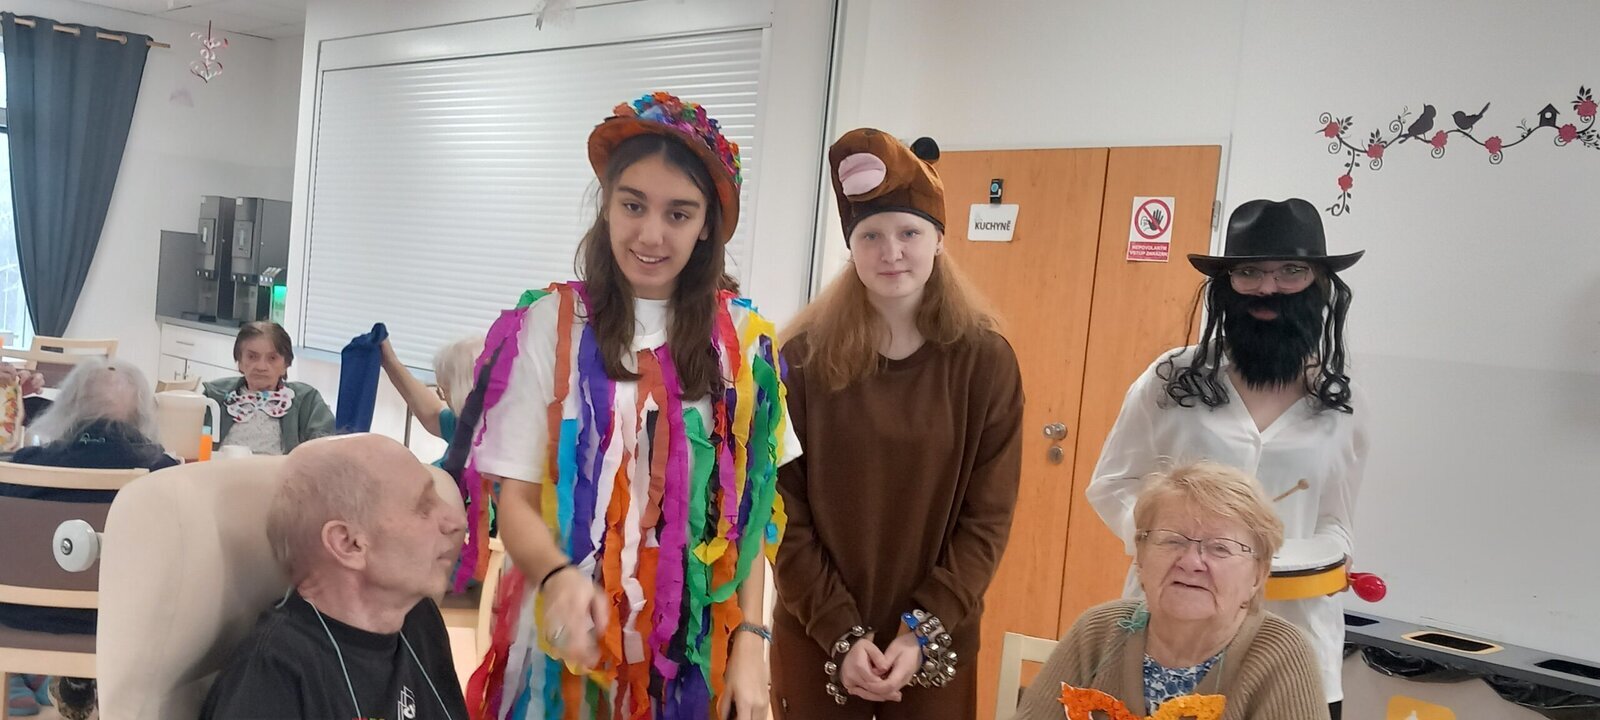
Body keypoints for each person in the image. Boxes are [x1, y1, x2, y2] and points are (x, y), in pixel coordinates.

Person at [461, 92, 797, 720]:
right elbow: (515, 499)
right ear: (607, 204)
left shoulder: (745, 346)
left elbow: (750, 524)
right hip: (566, 658)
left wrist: (752, 640)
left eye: (678, 213)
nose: (650, 234)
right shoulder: (550, 325)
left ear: (707, 226)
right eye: (633, 205)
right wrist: (558, 577)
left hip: (695, 664)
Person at [770, 128, 1024, 719]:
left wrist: (921, 630)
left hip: (936, 643)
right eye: (871, 236)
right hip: (817, 636)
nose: (891, 252)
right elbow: (781, 511)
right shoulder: (801, 360)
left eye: (909, 233)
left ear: (939, 240)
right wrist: (839, 631)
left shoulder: (986, 362)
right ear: (851, 247)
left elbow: (987, 518)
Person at [1086, 198, 1369, 718]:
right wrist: (1166, 545)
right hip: (1169, 633)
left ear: (1320, 283)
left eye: (1291, 271)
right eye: (1249, 272)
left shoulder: (1340, 403)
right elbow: (1114, 483)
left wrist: (1307, 560)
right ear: (1226, 284)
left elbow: (1337, 521)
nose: (1268, 288)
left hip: (1298, 642)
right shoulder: (1172, 381)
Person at [1014, 462, 1327, 719]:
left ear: (1258, 574)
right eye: (1172, 540)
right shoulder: (1098, 631)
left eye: (1219, 548)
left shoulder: (1282, 654)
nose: (1191, 562)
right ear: (1140, 556)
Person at [199, 434, 470, 720]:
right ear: (348, 544)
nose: (457, 521)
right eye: (424, 508)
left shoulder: (418, 620)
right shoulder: (272, 675)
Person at [1, 358, 176, 719]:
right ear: (144, 414)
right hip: (126, 622)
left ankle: (32, 673)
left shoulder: (23, 468)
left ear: (67, 407)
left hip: (25, 617)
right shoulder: (164, 476)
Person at [203, 321, 335, 455]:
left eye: (272, 358)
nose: (261, 367)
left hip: (279, 468)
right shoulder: (214, 395)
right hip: (221, 466)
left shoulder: (306, 399)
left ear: (286, 364)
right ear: (240, 362)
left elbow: (325, 447)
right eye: (252, 357)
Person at [379, 335, 483, 467]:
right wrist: (389, 361)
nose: (441, 397)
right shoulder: (468, 422)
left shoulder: (485, 451)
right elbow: (433, 415)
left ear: (463, 392)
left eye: (445, 391)